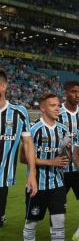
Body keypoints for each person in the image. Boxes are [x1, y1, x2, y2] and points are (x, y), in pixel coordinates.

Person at [23, 92, 76, 241]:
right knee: (32, 221)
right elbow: (24, 159)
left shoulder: (63, 130)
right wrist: (49, 162)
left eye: (59, 105)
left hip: (57, 183)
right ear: (43, 108)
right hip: (37, 184)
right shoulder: (33, 129)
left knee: (59, 220)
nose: (58, 108)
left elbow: (64, 154)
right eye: (53, 105)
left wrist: (67, 154)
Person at [0, 68, 36, 229]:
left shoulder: (19, 113)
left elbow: (28, 144)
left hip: (2, 178)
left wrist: (32, 173)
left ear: (3, 87)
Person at [57, 81, 79, 241]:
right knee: (58, 206)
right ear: (66, 93)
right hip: (61, 169)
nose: (77, 95)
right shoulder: (58, 113)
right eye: (73, 92)